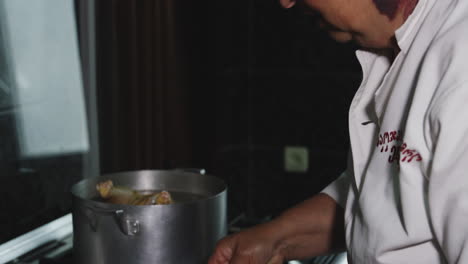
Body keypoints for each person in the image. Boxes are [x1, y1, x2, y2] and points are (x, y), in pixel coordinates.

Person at [208, 0, 468, 263]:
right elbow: (386, 191)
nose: (285, 2)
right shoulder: (395, 44)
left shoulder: (460, 67)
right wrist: (278, 239)